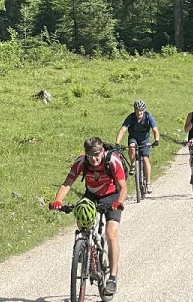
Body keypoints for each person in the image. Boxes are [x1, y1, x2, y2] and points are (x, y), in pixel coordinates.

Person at [48, 137, 127, 294]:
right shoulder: (81, 161)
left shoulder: (113, 161)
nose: (94, 159)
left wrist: (118, 202)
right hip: (91, 194)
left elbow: (123, 186)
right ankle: (84, 249)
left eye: (97, 155)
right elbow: (67, 182)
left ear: (102, 151)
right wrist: (58, 200)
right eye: (90, 155)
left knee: (111, 233)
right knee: (82, 220)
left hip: (112, 196)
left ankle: (112, 277)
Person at [115, 100, 160, 192]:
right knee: (131, 147)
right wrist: (117, 143)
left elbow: (155, 130)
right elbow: (123, 129)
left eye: (141, 110)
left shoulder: (148, 117)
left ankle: (148, 183)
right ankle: (133, 164)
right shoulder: (131, 117)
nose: (139, 112)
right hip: (133, 137)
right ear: (134, 110)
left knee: (145, 160)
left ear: (144, 110)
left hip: (144, 140)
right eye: (137, 110)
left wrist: (156, 140)